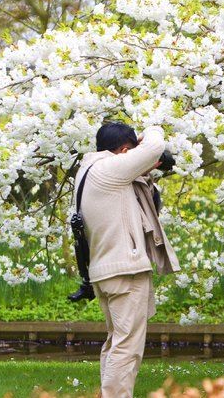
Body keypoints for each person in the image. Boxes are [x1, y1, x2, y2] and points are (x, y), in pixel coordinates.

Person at [74, 122, 180, 398]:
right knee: (127, 347)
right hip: (125, 271)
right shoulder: (111, 169)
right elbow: (155, 146)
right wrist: (151, 129)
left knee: (116, 343)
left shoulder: (88, 171)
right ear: (123, 150)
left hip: (106, 271)